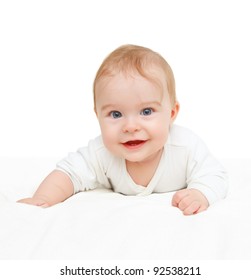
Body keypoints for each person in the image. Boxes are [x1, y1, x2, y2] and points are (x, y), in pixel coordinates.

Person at [18, 44, 228, 215]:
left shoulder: (185, 146)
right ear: (98, 115)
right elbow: (68, 174)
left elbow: (214, 174)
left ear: (172, 113)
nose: (131, 127)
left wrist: (201, 193)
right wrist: (43, 198)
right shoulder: (101, 152)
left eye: (146, 111)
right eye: (116, 114)